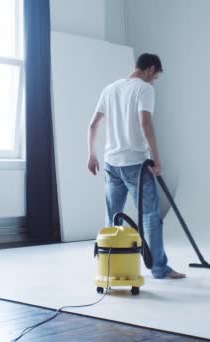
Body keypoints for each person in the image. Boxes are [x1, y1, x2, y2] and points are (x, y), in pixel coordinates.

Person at [86, 53, 185, 279]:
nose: (154, 81)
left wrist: (91, 155)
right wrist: (156, 158)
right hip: (136, 165)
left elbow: (93, 125)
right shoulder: (144, 89)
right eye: (156, 77)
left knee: (113, 216)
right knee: (151, 216)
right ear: (150, 69)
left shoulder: (109, 89)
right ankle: (159, 269)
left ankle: (109, 267)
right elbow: (145, 122)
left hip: (111, 163)